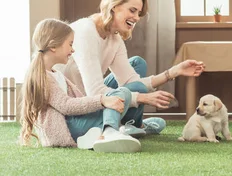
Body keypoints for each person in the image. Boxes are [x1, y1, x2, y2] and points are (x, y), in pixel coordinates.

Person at [62, 0, 205, 137]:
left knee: (138, 66)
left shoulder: (114, 39)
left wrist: (174, 72)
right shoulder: (85, 31)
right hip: (75, 110)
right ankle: (124, 127)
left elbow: (132, 82)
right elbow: (95, 92)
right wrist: (143, 98)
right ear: (114, 6)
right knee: (137, 90)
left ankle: (131, 126)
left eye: (139, 13)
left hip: (96, 99)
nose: (137, 17)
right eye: (133, 10)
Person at [20, 19, 141, 152]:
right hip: (68, 128)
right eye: (70, 44)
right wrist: (101, 100)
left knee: (123, 93)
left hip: (76, 122)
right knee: (117, 95)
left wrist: (104, 102)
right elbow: (66, 105)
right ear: (53, 46)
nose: (73, 50)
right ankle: (110, 131)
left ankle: (103, 132)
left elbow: (78, 101)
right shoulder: (43, 77)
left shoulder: (56, 74)